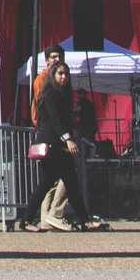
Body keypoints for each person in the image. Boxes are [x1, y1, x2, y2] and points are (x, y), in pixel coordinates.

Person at [30, 47, 92, 231]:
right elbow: (50, 116)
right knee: (53, 183)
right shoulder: (45, 83)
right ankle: (51, 216)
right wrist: (66, 138)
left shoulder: (62, 88)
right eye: (53, 57)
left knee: (59, 182)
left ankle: (50, 217)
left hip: (59, 138)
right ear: (47, 60)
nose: (57, 60)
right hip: (52, 138)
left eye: (60, 57)